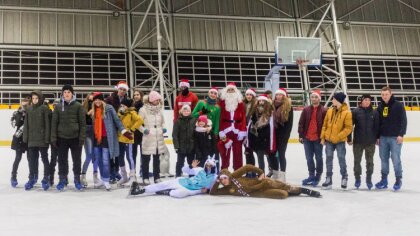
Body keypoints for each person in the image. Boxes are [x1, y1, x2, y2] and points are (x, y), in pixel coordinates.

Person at [90, 92, 133, 191]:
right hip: (96, 138)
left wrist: (123, 130)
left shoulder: (109, 108)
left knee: (105, 160)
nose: (97, 101)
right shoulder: (93, 111)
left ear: (102, 100)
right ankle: (102, 178)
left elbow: (117, 120)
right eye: (95, 100)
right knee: (98, 159)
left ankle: (106, 179)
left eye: (99, 99)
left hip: (106, 138)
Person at [209, 164, 321, 199]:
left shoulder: (233, 176)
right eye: (222, 179)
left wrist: (260, 172)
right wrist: (217, 182)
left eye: (225, 178)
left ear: (228, 176)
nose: (224, 181)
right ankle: (291, 192)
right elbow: (213, 193)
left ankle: (305, 191)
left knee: (284, 187)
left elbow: (247, 167)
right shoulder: (227, 189)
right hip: (259, 193)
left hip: (262, 183)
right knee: (282, 195)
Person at [51, 85, 86, 191]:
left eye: (68, 92)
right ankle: (62, 179)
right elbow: (54, 123)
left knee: (77, 160)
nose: (66, 94)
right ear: (62, 94)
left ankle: (76, 180)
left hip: (75, 138)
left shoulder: (78, 106)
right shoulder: (57, 106)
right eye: (65, 92)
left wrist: (82, 137)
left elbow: (82, 124)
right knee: (62, 160)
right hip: (62, 138)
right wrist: (53, 138)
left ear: (72, 94)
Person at [129, 158, 217, 198]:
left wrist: (206, 191)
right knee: (163, 184)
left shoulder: (214, 177)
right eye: (207, 165)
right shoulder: (199, 170)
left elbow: (214, 187)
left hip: (190, 189)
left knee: (179, 194)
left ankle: (167, 192)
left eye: (211, 166)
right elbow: (184, 170)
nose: (209, 167)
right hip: (183, 181)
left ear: (214, 167)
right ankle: (141, 190)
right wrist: (191, 166)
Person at [375, 87, 407, 191]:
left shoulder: (398, 105)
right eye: (383, 94)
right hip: (383, 138)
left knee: (395, 159)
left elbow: (404, 121)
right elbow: (378, 123)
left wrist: (401, 134)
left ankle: (398, 179)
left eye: (386, 94)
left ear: (391, 94)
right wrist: (378, 137)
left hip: (395, 138)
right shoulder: (380, 107)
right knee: (383, 159)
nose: (384, 96)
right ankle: (384, 180)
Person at [320, 92, 352, 190]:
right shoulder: (329, 111)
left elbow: (348, 128)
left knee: (341, 158)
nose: (332, 100)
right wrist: (322, 137)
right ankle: (328, 178)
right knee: (328, 158)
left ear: (338, 100)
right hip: (328, 140)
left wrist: (338, 137)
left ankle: (344, 177)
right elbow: (324, 125)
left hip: (340, 141)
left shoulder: (347, 113)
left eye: (333, 99)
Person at [349, 94, 379, 190]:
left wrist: (377, 138)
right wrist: (349, 138)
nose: (367, 102)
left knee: (370, 162)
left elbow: (377, 127)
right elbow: (350, 126)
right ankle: (357, 178)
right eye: (365, 100)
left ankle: (369, 178)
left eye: (369, 100)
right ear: (361, 101)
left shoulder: (374, 112)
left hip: (370, 142)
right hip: (358, 141)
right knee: (357, 161)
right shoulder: (355, 112)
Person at [23, 90, 51, 190]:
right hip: (31, 140)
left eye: (36, 98)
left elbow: (48, 125)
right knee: (31, 160)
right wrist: (25, 138)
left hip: (43, 140)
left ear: (40, 99)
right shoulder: (29, 109)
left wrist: (47, 139)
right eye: (33, 98)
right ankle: (32, 178)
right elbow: (26, 125)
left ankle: (46, 178)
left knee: (44, 159)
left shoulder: (44, 108)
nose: (34, 100)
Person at [298, 90, 327, 187]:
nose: (314, 99)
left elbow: (326, 125)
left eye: (316, 97)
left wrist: (323, 137)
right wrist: (301, 135)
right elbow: (301, 123)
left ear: (319, 98)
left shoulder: (324, 110)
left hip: (318, 139)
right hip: (307, 138)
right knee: (309, 158)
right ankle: (311, 175)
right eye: (312, 97)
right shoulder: (306, 110)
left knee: (318, 158)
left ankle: (318, 176)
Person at [139, 91, 166, 185]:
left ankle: (157, 177)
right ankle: (145, 177)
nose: (158, 101)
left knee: (156, 159)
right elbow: (138, 123)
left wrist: (163, 128)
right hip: (148, 137)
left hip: (158, 137)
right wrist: (144, 130)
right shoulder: (143, 110)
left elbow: (163, 122)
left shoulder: (160, 110)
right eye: (156, 99)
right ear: (151, 100)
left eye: (159, 99)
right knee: (146, 159)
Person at [246, 94, 278, 177]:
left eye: (263, 101)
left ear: (266, 102)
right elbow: (251, 125)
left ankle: (264, 173)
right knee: (259, 157)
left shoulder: (269, 113)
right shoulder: (254, 112)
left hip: (264, 140)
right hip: (255, 139)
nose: (261, 102)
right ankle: (261, 173)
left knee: (265, 157)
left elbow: (269, 127)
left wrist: (263, 137)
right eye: (259, 101)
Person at [217, 82, 247, 170]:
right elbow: (219, 118)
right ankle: (224, 170)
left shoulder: (240, 104)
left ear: (236, 91)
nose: (230, 92)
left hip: (237, 130)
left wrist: (242, 130)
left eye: (232, 90)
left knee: (238, 152)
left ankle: (238, 171)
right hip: (225, 130)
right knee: (225, 151)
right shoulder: (222, 103)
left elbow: (243, 117)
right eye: (229, 90)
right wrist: (221, 131)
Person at [105, 80, 130, 183]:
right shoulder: (110, 99)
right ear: (117, 89)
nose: (122, 91)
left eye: (124, 90)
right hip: (111, 129)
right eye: (121, 89)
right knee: (111, 152)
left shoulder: (128, 101)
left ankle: (117, 171)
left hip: (122, 130)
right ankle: (111, 173)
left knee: (119, 153)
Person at [192, 87, 221, 170]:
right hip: (200, 132)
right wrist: (201, 112)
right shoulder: (201, 103)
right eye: (211, 92)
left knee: (213, 152)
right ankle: (200, 169)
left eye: (215, 93)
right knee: (202, 152)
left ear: (217, 96)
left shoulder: (217, 107)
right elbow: (193, 115)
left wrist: (215, 132)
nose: (213, 94)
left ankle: (215, 171)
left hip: (211, 133)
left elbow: (217, 121)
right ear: (208, 93)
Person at [117, 98, 143, 186]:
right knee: (120, 157)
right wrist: (120, 114)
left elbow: (140, 120)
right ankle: (124, 176)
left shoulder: (132, 113)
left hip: (128, 139)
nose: (122, 107)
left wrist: (132, 129)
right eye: (121, 105)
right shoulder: (120, 113)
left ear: (127, 106)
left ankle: (132, 177)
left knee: (130, 157)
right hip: (120, 138)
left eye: (123, 105)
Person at [273, 88, 294, 182]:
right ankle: (275, 173)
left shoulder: (288, 107)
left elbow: (289, 125)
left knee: (281, 154)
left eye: (280, 95)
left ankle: (282, 174)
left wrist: (285, 137)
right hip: (273, 134)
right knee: (273, 154)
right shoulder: (271, 106)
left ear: (284, 96)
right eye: (277, 95)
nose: (278, 96)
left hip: (283, 135)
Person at [80, 93, 99, 187]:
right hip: (87, 132)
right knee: (89, 155)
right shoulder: (82, 108)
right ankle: (83, 175)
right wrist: (88, 114)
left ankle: (95, 175)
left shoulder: (98, 108)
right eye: (90, 100)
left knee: (96, 155)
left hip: (96, 132)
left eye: (93, 100)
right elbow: (81, 121)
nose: (92, 101)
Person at [10, 97, 29, 188]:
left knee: (31, 159)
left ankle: (32, 176)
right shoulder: (17, 113)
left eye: (26, 105)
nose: (24, 106)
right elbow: (14, 124)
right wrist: (19, 114)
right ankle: (13, 176)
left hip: (29, 139)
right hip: (19, 139)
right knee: (18, 158)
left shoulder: (30, 113)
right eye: (23, 105)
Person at [173, 105, 196, 177]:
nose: (186, 112)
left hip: (191, 147)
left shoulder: (194, 120)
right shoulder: (178, 121)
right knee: (180, 162)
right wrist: (176, 146)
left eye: (188, 111)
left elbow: (196, 133)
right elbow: (175, 135)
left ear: (190, 112)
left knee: (191, 162)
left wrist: (195, 145)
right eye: (184, 110)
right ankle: (178, 174)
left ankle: (191, 175)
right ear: (181, 111)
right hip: (181, 147)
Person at [243, 88, 257, 169]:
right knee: (247, 151)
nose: (248, 96)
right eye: (247, 94)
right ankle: (249, 170)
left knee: (251, 150)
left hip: (252, 131)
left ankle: (253, 170)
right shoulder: (243, 104)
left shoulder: (255, 105)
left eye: (250, 95)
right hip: (244, 130)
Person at [132, 89, 144, 176]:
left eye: (137, 95)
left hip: (142, 131)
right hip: (133, 132)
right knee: (133, 154)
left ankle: (142, 170)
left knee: (143, 153)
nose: (136, 96)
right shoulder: (131, 106)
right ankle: (133, 171)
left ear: (141, 96)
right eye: (135, 95)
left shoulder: (144, 106)